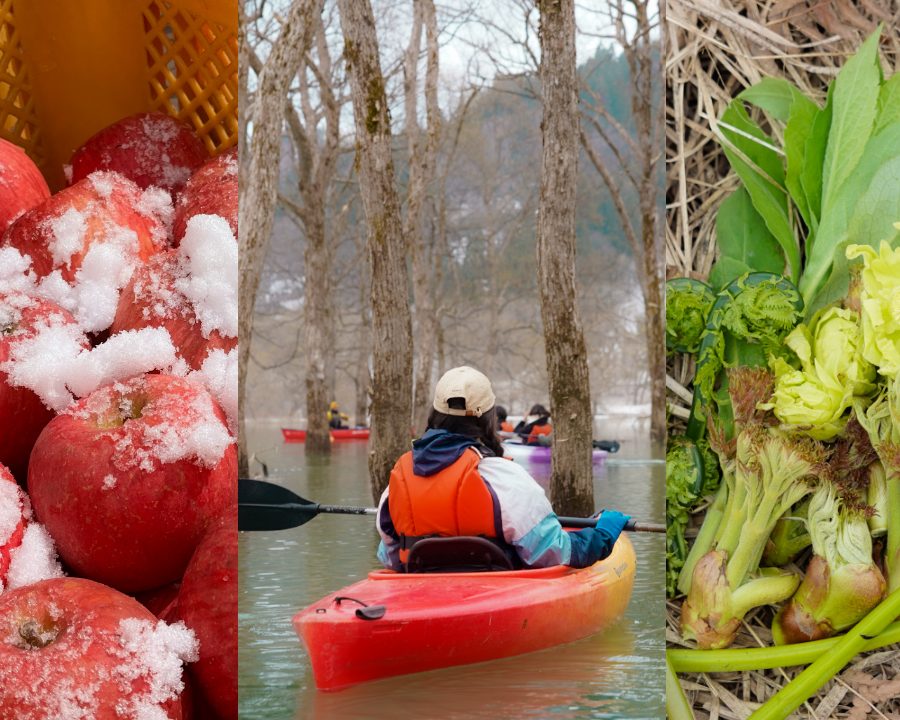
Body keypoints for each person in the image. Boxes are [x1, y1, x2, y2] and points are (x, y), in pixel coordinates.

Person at [376, 366, 629, 572]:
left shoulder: (399, 478)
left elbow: (389, 556)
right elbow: (556, 552)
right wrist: (603, 535)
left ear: (435, 414)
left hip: (420, 590)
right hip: (492, 594)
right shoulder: (502, 477)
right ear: (489, 418)